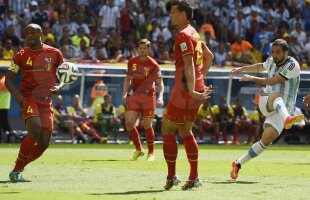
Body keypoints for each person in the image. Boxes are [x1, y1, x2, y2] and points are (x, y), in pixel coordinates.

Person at [230, 39, 304, 180]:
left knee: (266, 141)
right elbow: (260, 67)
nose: (274, 55)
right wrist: (242, 69)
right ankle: (288, 118)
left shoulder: (292, 65)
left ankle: (238, 163)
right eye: (273, 52)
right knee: (278, 95)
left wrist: (251, 78)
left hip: (282, 109)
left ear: (286, 53)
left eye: (278, 52)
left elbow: (275, 80)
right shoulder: (271, 60)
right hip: (267, 98)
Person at [161, 0, 213, 191]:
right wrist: (200, 81)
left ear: (183, 14)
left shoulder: (183, 35)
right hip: (195, 88)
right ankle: (194, 177)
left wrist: (191, 89)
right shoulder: (194, 33)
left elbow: (189, 64)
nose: (171, 15)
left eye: (174, 12)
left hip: (185, 90)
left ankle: (172, 176)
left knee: (167, 129)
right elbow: (210, 57)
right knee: (185, 131)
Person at [4, 24, 64, 182]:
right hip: (28, 97)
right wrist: (17, 96)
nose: (29, 35)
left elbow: (64, 75)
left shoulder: (55, 53)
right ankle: (16, 171)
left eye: (32, 32)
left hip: (46, 100)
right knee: (35, 131)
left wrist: (60, 86)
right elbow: (8, 79)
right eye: (27, 33)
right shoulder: (20, 55)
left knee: (44, 143)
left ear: (40, 34)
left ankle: (18, 169)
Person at [122, 38, 164, 161]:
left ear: (149, 49)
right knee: (129, 122)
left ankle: (151, 153)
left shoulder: (153, 64)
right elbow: (128, 78)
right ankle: (139, 149)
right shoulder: (132, 61)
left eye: (144, 48)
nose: (142, 50)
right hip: (135, 95)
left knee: (147, 124)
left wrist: (160, 96)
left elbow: (160, 83)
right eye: (140, 48)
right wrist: (125, 93)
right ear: (137, 49)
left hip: (148, 96)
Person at [0, 69, 12, 142]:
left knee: (4, 124)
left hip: (2, 106)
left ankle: (9, 139)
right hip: (3, 106)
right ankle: (8, 139)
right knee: (3, 123)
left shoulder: (3, 81)